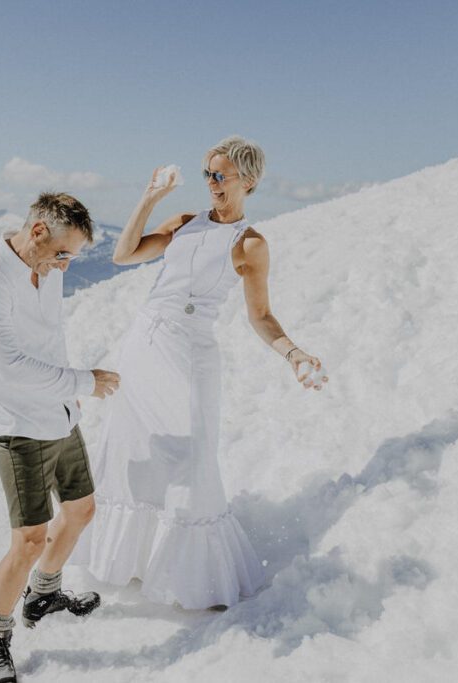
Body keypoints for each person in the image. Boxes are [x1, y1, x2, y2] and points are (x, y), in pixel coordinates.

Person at [73, 136, 328, 610]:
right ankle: (133, 561)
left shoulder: (250, 244)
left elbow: (261, 315)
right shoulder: (186, 223)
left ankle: (197, 579)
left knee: (193, 458)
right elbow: (124, 255)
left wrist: (292, 353)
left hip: (190, 355)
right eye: (208, 174)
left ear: (247, 182)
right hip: (144, 346)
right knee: (131, 448)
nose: (210, 183)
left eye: (220, 175)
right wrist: (150, 197)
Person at [0, 192, 121, 683]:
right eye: (62, 254)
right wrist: (83, 383)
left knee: (81, 510)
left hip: (59, 414)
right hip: (19, 428)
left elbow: (48, 343)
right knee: (29, 540)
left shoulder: (44, 271)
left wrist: (71, 399)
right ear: (36, 233)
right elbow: (8, 370)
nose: (65, 265)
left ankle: (44, 594)